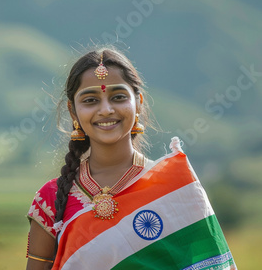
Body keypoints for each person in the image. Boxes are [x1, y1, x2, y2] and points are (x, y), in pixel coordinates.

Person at [25, 48, 237, 270]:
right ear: (72, 111)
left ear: (138, 102)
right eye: (90, 100)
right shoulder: (50, 201)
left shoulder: (174, 189)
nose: (106, 110)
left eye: (118, 97)